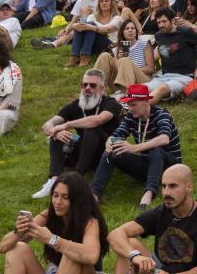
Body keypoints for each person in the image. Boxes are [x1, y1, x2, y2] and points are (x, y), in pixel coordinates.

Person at [91, 84, 182, 210]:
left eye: (133, 105)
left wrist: (134, 148)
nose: (130, 108)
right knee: (113, 150)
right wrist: (109, 142)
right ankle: (94, 194)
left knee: (156, 151)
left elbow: (164, 139)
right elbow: (116, 134)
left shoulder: (162, 115)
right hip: (148, 164)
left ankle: (148, 193)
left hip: (170, 167)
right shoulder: (131, 117)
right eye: (128, 105)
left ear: (146, 101)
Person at [35, 70, 123, 199]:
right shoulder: (76, 105)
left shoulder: (111, 103)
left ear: (102, 89)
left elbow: (98, 120)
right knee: (58, 134)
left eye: (92, 85)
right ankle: (54, 179)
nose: (87, 88)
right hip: (84, 151)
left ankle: (76, 178)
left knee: (92, 129)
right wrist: (57, 132)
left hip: (105, 153)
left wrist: (66, 125)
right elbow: (47, 125)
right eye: (84, 85)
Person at [145, 8, 197, 104]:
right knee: (141, 88)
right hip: (164, 76)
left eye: (164, 21)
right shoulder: (159, 35)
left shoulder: (185, 32)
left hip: (184, 77)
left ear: (172, 20)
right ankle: (129, 105)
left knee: (162, 88)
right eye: (158, 22)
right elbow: (159, 52)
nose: (161, 25)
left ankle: (137, 108)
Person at [93, 19, 155, 93]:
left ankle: (128, 95)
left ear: (136, 31)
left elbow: (151, 69)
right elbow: (117, 71)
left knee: (124, 60)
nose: (130, 30)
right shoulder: (116, 49)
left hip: (142, 80)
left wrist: (130, 69)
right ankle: (94, 90)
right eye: (127, 29)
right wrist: (118, 60)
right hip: (119, 83)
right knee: (105, 56)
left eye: (133, 28)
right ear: (122, 32)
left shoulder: (144, 44)